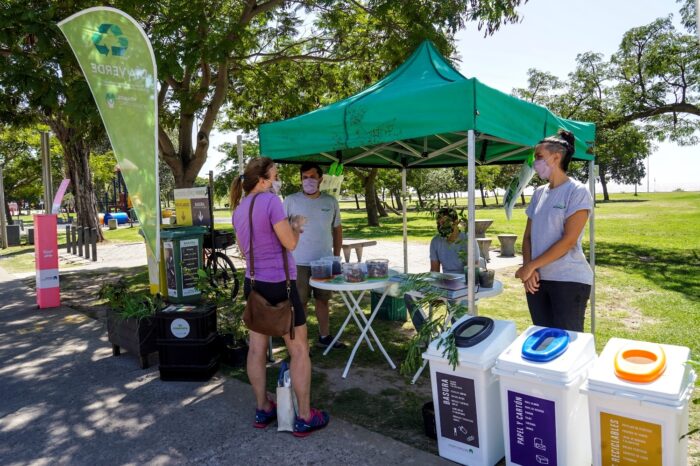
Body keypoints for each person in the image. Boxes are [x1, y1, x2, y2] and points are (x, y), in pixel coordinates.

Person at [231, 157, 329, 437]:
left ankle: (263, 408)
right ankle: (305, 416)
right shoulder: (271, 201)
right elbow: (290, 243)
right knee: (298, 350)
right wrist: (295, 225)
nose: (276, 180)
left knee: (256, 349)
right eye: (274, 175)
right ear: (262, 179)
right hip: (280, 286)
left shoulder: (239, 209)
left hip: (253, 284)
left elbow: (245, 248)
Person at [515, 129, 593, 332]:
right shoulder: (539, 193)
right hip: (537, 281)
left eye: (539, 156)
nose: (534, 162)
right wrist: (529, 269)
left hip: (569, 281)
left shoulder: (577, 191)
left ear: (556, 157)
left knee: (568, 346)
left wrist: (530, 266)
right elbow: (528, 237)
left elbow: (568, 241)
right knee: (543, 340)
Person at [283, 162, 344, 349]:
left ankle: (324, 337)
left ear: (321, 179)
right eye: (305, 177)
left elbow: (337, 229)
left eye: (312, 177)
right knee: (299, 303)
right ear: (300, 179)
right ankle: (300, 343)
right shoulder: (290, 200)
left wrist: (336, 256)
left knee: (323, 300)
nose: (308, 181)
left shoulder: (330, 201)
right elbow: (282, 230)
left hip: (324, 262)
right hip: (298, 262)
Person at [430, 207, 483, 274]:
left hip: (466, 280)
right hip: (446, 281)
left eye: (444, 222)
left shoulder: (468, 240)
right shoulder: (436, 241)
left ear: (456, 222)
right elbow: (434, 271)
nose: (440, 226)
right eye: (438, 223)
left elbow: (473, 272)